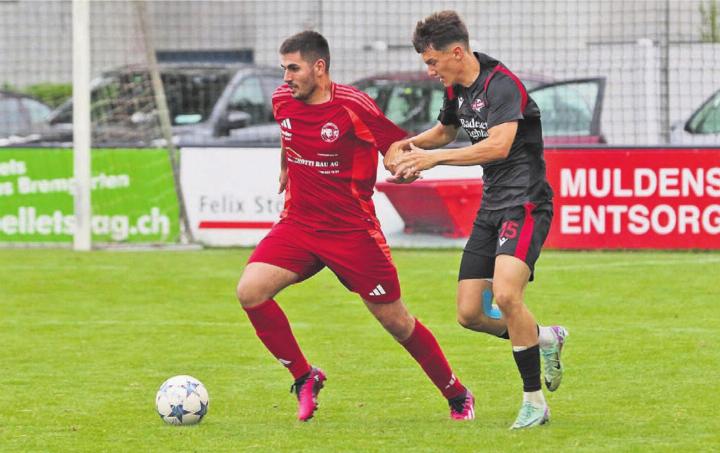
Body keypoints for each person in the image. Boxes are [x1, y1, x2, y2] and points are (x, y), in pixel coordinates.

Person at [236, 30, 474, 422]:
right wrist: (285, 165)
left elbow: (394, 145)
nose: (285, 78)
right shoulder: (283, 100)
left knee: (396, 322)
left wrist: (404, 164)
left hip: (352, 233)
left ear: (319, 67)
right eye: (283, 69)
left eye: (293, 68)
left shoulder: (353, 106)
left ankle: (457, 393)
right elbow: (287, 132)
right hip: (299, 225)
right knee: (250, 291)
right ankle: (304, 376)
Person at [385, 11, 569, 429]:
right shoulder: (457, 87)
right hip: (491, 208)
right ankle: (544, 337)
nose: (429, 70)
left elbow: (498, 146)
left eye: (432, 62)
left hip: (525, 204)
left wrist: (431, 161)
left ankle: (534, 402)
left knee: (506, 296)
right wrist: (406, 144)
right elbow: (446, 131)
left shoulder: (502, 85)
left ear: (456, 52)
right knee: (469, 314)